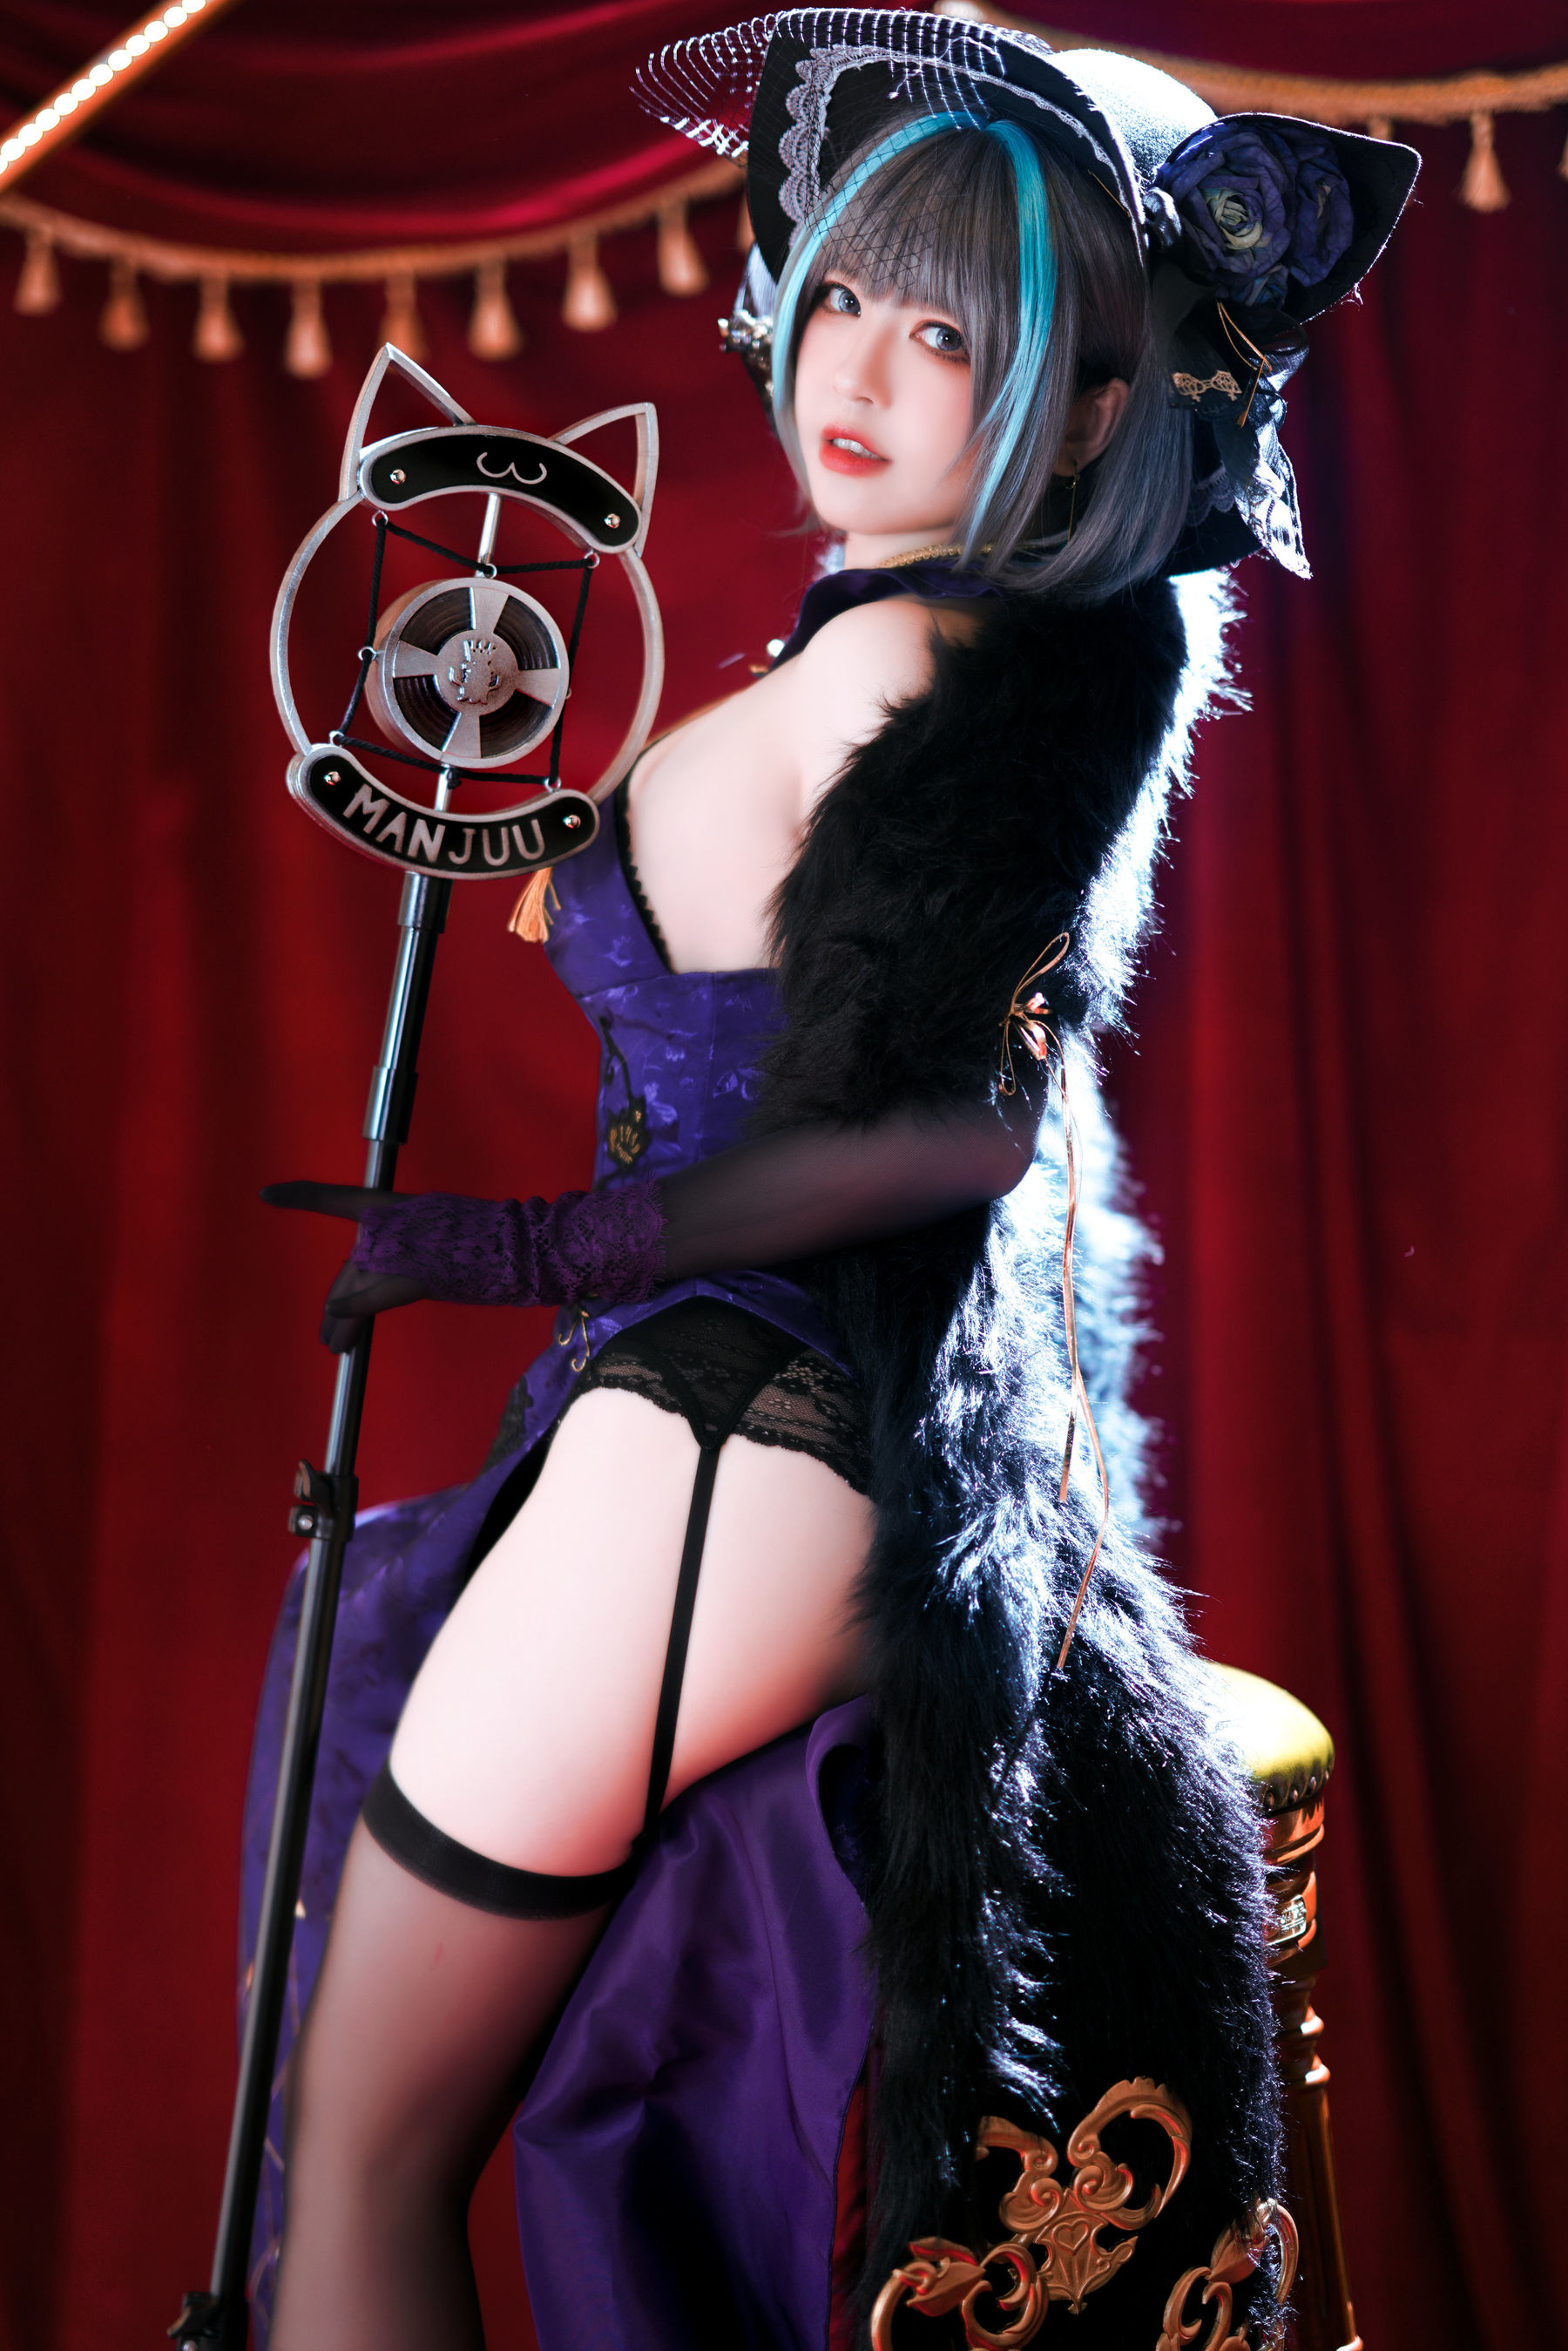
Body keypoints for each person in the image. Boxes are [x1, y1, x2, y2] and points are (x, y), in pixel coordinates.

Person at [246, 15, 1416, 2348]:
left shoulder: (918, 673)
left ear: (1091, 402)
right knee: (383, 2146)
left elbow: (944, 1135)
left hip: (719, 1447)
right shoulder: (980, 649)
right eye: (847, 293)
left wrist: (539, 1240)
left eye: (948, 331)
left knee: (360, 2161)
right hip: (771, 1445)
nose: (852, 368)